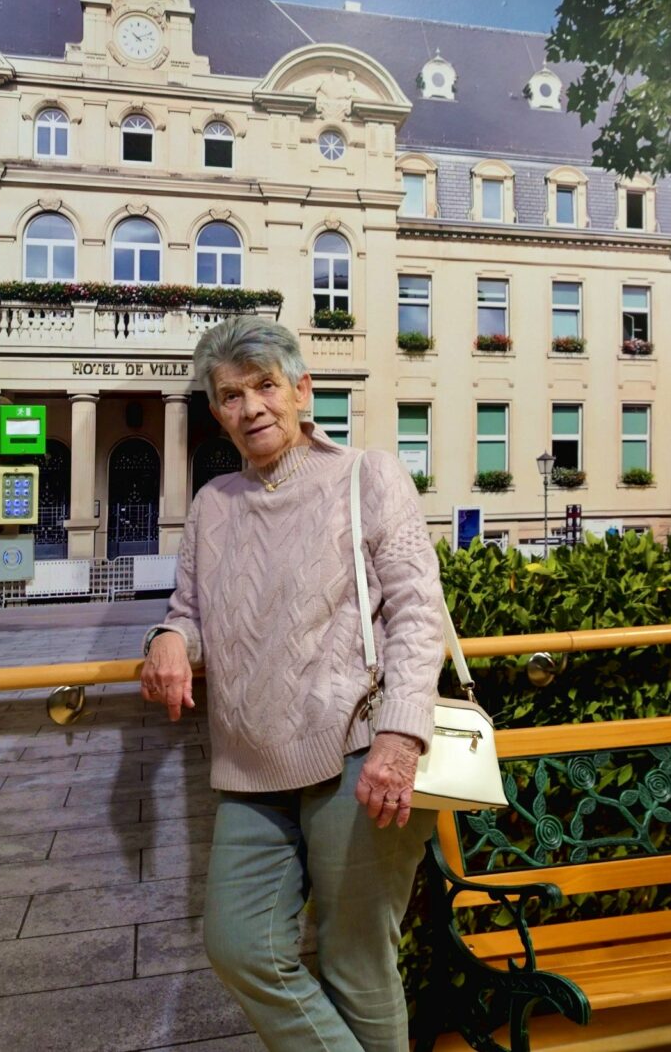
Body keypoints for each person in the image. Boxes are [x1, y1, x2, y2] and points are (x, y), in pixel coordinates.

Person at [140, 315, 446, 1052]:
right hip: (250, 765)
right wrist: (169, 638)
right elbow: (192, 612)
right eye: (231, 394)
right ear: (216, 411)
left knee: (357, 963)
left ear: (302, 389)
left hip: (359, 751)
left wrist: (401, 736)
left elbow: (418, 611)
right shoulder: (213, 506)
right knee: (241, 946)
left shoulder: (366, 475)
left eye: (266, 386)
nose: (252, 408)